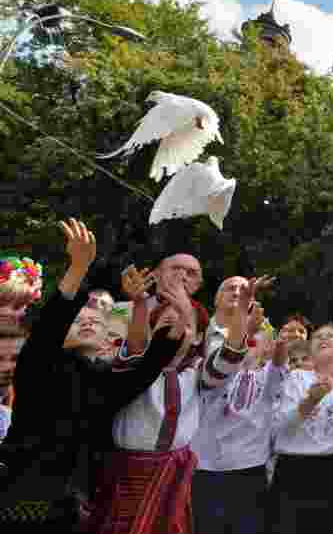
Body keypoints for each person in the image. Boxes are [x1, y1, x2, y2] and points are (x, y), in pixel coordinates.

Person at [0, 220, 189, 533]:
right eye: (85, 308)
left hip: (70, 514)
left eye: (103, 311)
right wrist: (78, 268)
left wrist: (180, 309)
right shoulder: (40, 364)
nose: (92, 316)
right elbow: (49, 328)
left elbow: (149, 366)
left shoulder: (101, 382)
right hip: (16, 507)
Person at [88, 259, 258, 534]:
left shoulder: (194, 374)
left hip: (173, 473)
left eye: (183, 320)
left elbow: (227, 360)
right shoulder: (137, 368)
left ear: (196, 336)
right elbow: (135, 347)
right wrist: (142, 304)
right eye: (167, 321)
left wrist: (240, 315)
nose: (176, 324)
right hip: (129, 471)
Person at [192, 323, 288, 534]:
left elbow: (278, 368)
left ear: (266, 348)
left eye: (252, 342)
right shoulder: (213, 372)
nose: (246, 347)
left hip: (249, 470)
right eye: (241, 342)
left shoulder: (266, 378)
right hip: (207, 469)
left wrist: (281, 346)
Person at [269, 322, 333, 534]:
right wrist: (311, 401)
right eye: (318, 337)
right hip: (292, 470)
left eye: (330, 336)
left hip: (328, 471)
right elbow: (282, 427)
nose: (323, 338)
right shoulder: (295, 377)